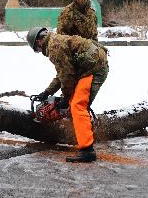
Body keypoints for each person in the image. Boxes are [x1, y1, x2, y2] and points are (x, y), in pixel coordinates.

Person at [27, 26, 108, 162]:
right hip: (88, 67)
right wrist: (47, 92)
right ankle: (83, 136)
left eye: (37, 49)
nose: (40, 51)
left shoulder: (54, 47)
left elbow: (67, 76)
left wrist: (65, 98)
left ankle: (87, 151)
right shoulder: (55, 41)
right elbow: (63, 74)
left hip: (94, 69)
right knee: (75, 103)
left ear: (39, 41)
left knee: (77, 105)